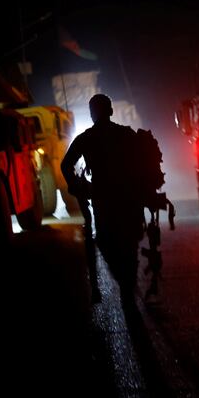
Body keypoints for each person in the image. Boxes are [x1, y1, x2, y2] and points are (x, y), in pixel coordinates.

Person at [61, 94, 144, 304]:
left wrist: (77, 186)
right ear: (111, 111)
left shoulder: (86, 138)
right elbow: (144, 163)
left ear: (91, 114)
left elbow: (65, 165)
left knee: (106, 242)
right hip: (127, 197)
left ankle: (123, 279)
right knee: (130, 240)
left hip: (103, 198)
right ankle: (128, 280)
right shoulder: (127, 135)